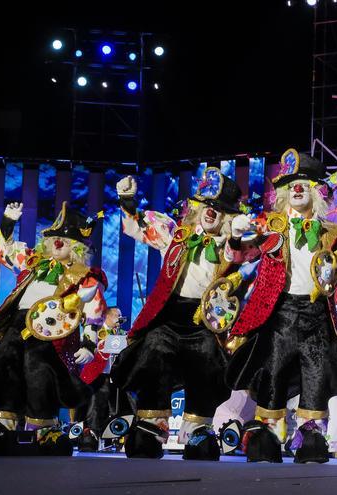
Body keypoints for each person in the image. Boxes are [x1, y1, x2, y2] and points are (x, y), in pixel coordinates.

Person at [224, 149, 337, 463]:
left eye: (304, 182)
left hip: (317, 313)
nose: (297, 188)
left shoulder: (333, 233)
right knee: (273, 372)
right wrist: (236, 235)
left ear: (316, 191)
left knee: (316, 374)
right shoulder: (270, 227)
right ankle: (267, 434)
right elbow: (242, 251)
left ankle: (311, 436)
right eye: (292, 182)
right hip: (280, 312)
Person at [110, 167, 245, 460]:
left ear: (228, 217)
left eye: (219, 210)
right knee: (154, 349)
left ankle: (198, 430)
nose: (212, 213)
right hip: (170, 317)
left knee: (209, 363)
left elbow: (241, 259)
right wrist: (129, 202)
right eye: (208, 206)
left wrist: (234, 238)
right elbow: (138, 228)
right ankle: (149, 425)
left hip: (205, 321)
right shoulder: (176, 233)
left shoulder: (230, 245)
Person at [0, 201, 106, 455]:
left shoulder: (83, 276)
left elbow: (94, 314)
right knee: (5, 365)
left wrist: (89, 344)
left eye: (64, 240)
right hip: (17, 326)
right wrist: (9, 222)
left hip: (52, 335)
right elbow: (6, 250)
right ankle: (2, 421)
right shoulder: (34, 262)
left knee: (39, 371)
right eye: (55, 237)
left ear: (75, 247)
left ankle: (42, 426)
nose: (57, 243)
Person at [76, 306, 135, 452]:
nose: (120, 319)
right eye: (117, 315)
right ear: (107, 316)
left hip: (117, 376)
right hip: (98, 374)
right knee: (97, 404)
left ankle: (127, 436)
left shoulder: (122, 334)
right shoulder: (95, 331)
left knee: (126, 404)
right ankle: (92, 435)